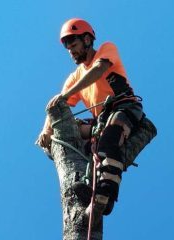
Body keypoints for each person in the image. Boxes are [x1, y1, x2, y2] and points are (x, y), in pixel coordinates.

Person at [36, 18, 144, 218]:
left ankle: (106, 193)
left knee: (111, 138)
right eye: (68, 48)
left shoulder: (106, 49)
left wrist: (66, 95)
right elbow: (58, 107)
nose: (71, 51)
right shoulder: (74, 77)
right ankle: (89, 184)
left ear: (87, 39)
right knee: (73, 131)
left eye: (74, 45)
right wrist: (46, 130)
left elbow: (98, 71)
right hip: (101, 119)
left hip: (124, 107)